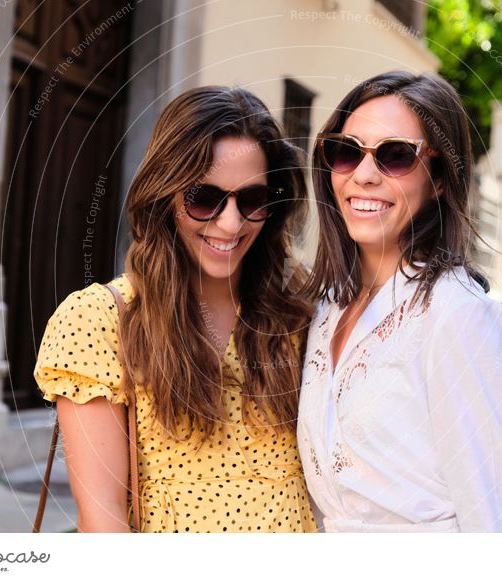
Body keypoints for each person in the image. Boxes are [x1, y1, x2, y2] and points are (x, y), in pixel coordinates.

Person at [34, 86, 316, 533]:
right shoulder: (100, 319)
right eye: (204, 198)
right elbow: (103, 524)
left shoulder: (299, 313)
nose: (231, 223)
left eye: (252, 200)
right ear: (164, 193)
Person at [298, 71, 502, 532]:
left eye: (395, 156)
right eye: (346, 152)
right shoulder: (325, 308)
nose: (363, 176)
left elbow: (497, 518)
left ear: (442, 180)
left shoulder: (457, 317)